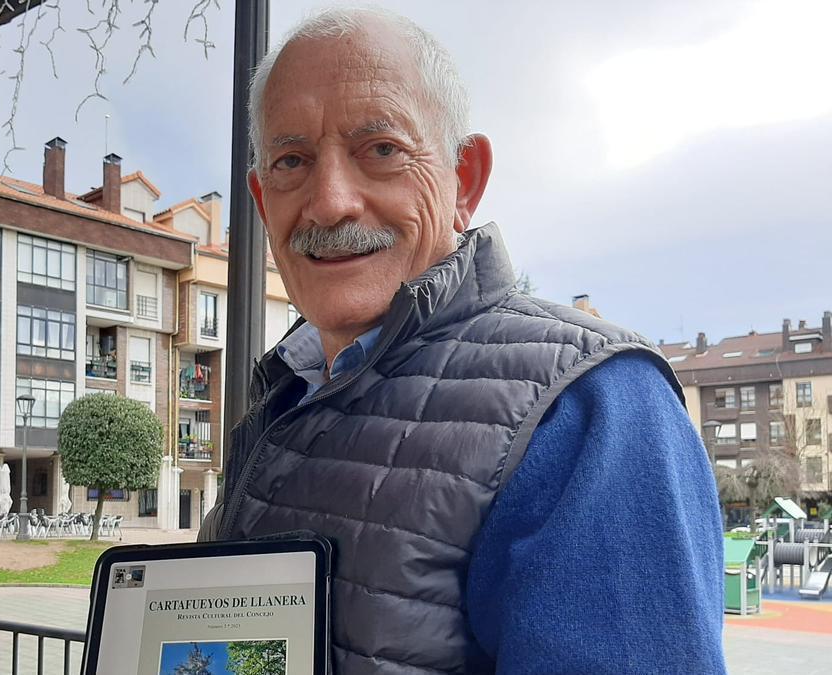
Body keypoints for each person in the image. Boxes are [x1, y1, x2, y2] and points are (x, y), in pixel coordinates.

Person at [198, 7, 726, 674]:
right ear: (261, 199)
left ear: (464, 180)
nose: (329, 201)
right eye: (292, 160)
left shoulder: (595, 407)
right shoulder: (285, 393)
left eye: (381, 150)